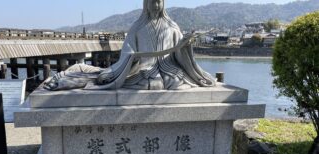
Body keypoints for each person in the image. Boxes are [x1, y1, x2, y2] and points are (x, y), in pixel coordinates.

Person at [44, 0, 216, 91]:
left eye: (159, 2)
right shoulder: (138, 27)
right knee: (144, 83)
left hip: (169, 69)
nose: (156, 5)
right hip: (143, 69)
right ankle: (77, 73)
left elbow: (178, 53)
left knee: (174, 83)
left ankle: (78, 73)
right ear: (146, 4)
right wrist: (132, 58)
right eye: (152, 1)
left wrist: (185, 45)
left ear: (163, 4)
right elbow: (128, 51)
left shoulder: (172, 26)